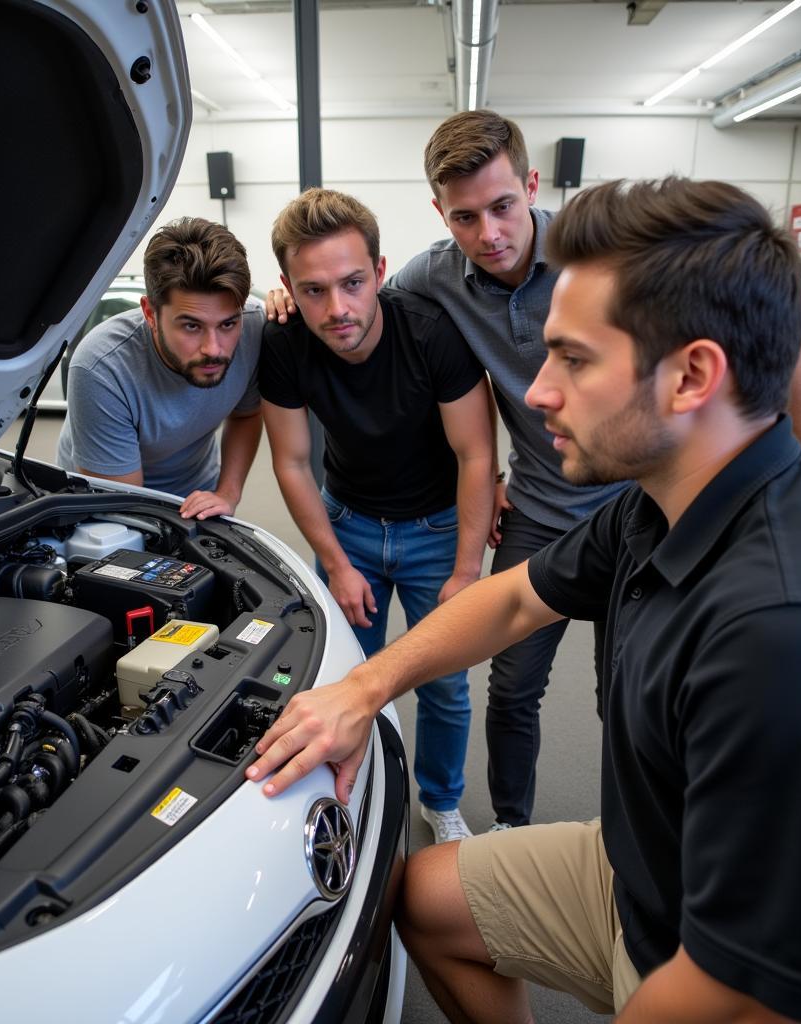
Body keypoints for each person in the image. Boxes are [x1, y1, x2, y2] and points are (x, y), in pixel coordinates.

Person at [248, 177, 801, 1022]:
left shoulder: (784, 632)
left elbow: (750, 988)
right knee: (420, 897)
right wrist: (361, 689)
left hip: (711, 962)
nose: (535, 393)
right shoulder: (659, 506)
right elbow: (511, 603)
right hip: (640, 873)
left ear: (691, 377)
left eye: (573, 358)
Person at [268, 110, 801, 830]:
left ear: (532, 186)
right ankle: (510, 825)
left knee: (626, 691)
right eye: (465, 217)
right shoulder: (432, 277)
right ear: (442, 215)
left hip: (641, 502)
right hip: (541, 506)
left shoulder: (600, 262)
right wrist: (282, 295)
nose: (490, 234)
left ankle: (642, 841)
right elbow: (350, 294)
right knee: (511, 684)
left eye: (504, 207)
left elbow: (780, 339)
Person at [261, 188, 494, 843]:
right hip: (349, 527)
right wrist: (335, 562)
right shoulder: (281, 344)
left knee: (444, 686)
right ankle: (357, 792)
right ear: (287, 288)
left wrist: (467, 569)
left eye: (353, 283)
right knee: (342, 678)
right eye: (312, 291)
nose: (337, 309)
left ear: (381, 271)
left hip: (437, 532)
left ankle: (440, 802)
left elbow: (476, 454)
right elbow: (292, 463)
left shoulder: (432, 333)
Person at [57, 217, 264, 520]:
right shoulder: (101, 368)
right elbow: (126, 507)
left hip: (198, 493)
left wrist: (226, 494)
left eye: (228, 324)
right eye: (192, 326)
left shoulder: (254, 327)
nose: (214, 348)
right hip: (106, 503)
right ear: (150, 314)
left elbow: (247, 414)